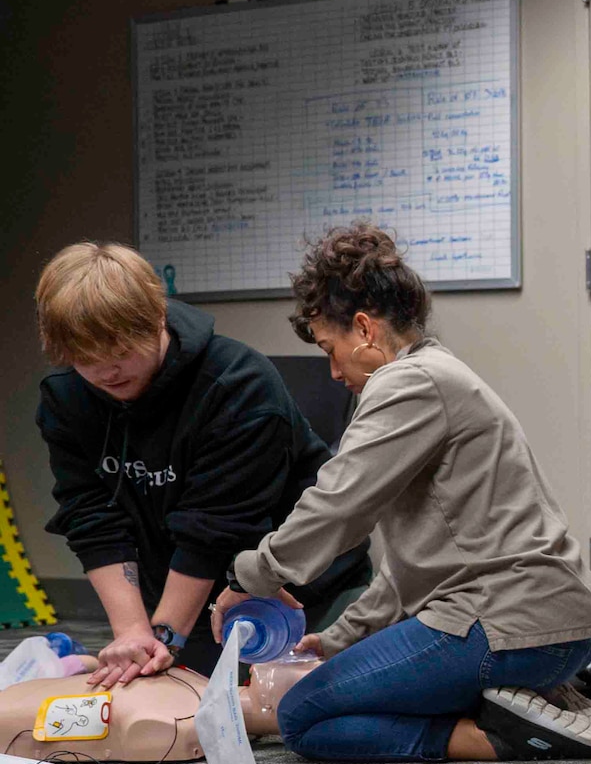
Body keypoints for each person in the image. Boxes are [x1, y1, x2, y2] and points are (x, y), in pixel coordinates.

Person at [208, 224, 591, 763]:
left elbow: (337, 507)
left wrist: (249, 576)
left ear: (364, 328)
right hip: (552, 629)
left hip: (504, 626)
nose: (333, 372)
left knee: (303, 718)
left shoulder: (407, 384)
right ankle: (528, 700)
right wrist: (339, 637)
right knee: (339, 689)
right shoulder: (436, 374)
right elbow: (413, 567)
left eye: (332, 351)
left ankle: (495, 736)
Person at [33, 242, 371, 683]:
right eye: (86, 360)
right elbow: (91, 516)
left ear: (156, 317)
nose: (106, 373)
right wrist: (136, 633)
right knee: (163, 687)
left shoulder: (238, 384)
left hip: (299, 593)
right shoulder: (66, 396)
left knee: (289, 705)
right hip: (184, 592)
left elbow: (212, 529)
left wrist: (165, 638)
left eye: (120, 353)